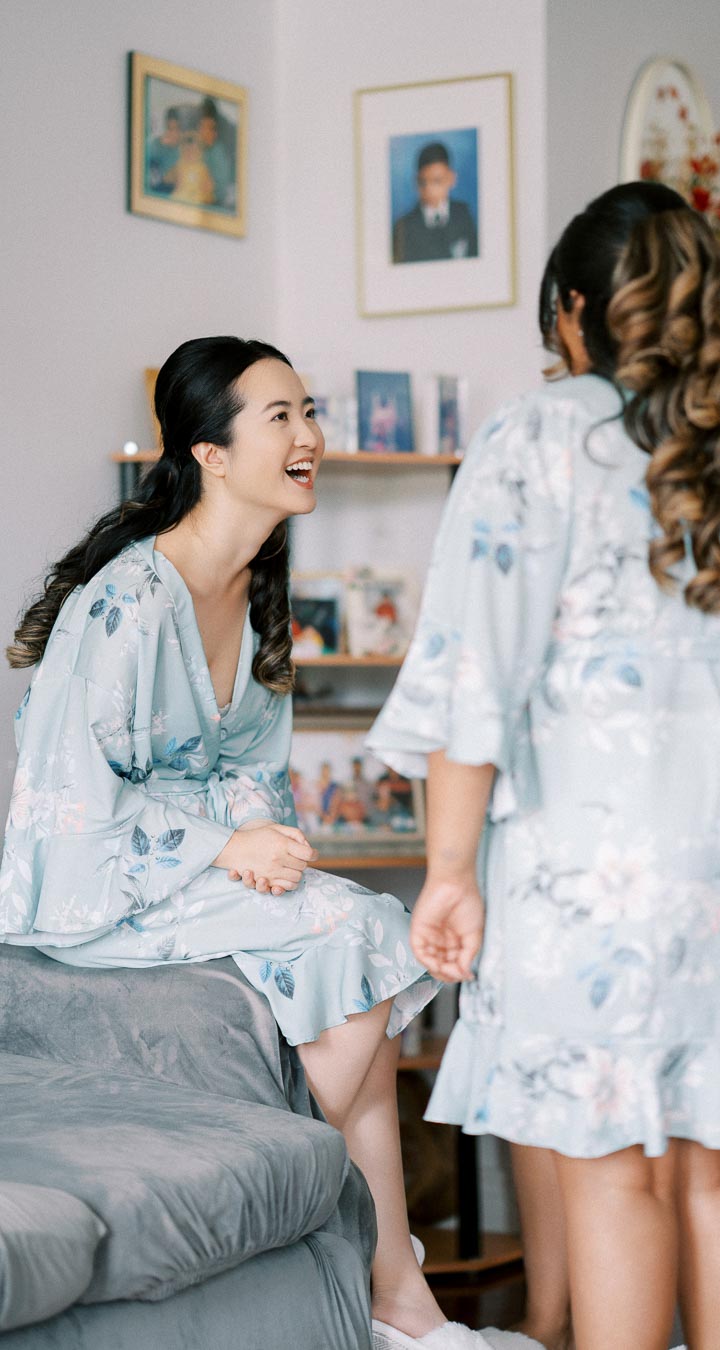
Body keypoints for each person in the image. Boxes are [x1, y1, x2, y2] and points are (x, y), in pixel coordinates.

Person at [368, 182, 720, 1350]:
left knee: (615, 1172)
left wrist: (449, 869)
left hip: (595, 858)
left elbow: (475, 680)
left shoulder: (541, 435)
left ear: (573, 314)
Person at [0, 336, 526, 1350]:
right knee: (364, 934)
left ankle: (396, 1300)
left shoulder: (257, 584)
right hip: (91, 873)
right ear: (210, 451)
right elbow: (65, 794)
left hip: (188, 863)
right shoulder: (129, 598)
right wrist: (215, 847)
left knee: (360, 996)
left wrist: (257, 838)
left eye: (307, 413)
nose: (309, 437)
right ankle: (299, 1192)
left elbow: (250, 769)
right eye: (280, 416)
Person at [392, 142, 478, 265]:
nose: (430, 190)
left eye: (437, 181)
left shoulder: (464, 214)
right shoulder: (404, 228)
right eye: (423, 182)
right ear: (416, 182)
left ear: (451, 178)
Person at [146, 105, 182, 195]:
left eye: (177, 129)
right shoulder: (156, 145)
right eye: (170, 129)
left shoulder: (186, 149)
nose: (173, 134)